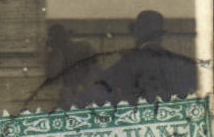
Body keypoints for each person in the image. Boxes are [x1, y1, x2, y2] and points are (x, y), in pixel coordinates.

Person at [60, 11, 198, 109]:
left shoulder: (125, 64)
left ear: (136, 34)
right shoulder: (184, 64)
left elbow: (100, 90)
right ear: (160, 36)